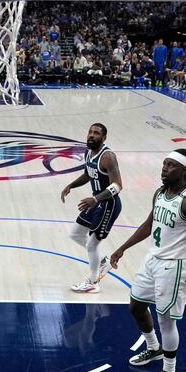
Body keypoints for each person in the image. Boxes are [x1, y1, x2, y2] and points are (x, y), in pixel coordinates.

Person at [110, 149, 186, 372]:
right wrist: (123, 248)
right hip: (152, 259)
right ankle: (153, 347)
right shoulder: (160, 193)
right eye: (164, 164)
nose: (164, 169)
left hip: (173, 266)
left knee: (166, 321)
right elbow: (149, 224)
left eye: (171, 166)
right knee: (136, 306)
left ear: (184, 170)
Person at [61, 123, 123, 294]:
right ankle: (103, 261)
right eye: (90, 132)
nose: (91, 135)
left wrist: (95, 199)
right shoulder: (89, 153)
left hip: (108, 204)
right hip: (95, 202)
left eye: (96, 133)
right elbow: (88, 174)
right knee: (75, 234)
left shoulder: (108, 157)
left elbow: (118, 186)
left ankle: (93, 282)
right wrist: (71, 185)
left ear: (104, 138)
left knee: (92, 244)